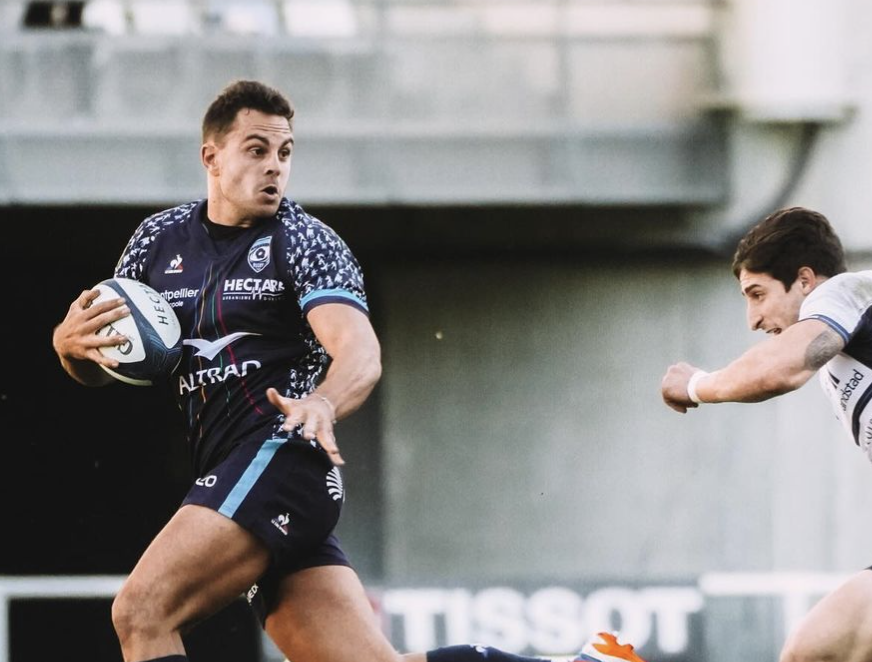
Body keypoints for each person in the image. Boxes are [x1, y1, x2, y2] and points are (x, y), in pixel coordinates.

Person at [51, 79, 647, 662]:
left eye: (285, 153)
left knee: (141, 612)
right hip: (231, 472)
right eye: (256, 151)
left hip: (281, 460)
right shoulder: (155, 242)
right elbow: (115, 363)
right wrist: (70, 349)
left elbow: (360, 353)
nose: (274, 168)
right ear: (211, 156)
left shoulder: (306, 241)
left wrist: (325, 402)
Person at [661, 205, 872, 662]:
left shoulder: (846, 292)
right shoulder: (849, 345)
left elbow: (779, 370)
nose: (752, 319)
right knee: (816, 650)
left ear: (805, 280)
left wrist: (696, 385)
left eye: (757, 294)